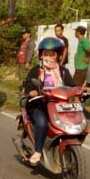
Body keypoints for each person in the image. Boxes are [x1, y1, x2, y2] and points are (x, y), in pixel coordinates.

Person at [23, 37, 76, 165]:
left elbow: (72, 86)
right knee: (42, 124)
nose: (49, 56)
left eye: (52, 54)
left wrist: (79, 92)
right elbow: (28, 85)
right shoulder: (36, 70)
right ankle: (38, 151)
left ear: (57, 55)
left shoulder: (63, 71)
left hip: (59, 106)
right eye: (46, 53)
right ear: (41, 55)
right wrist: (32, 91)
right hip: (38, 105)